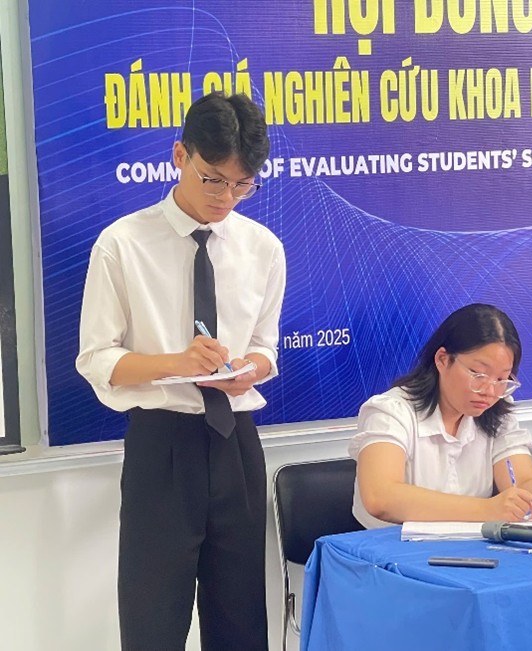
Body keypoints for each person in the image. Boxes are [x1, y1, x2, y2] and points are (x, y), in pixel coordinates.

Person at [76, 92, 286, 650]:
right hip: (162, 446)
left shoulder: (263, 248)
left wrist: (250, 369)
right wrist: (178, 363)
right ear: (179, 155)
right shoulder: (123, 244)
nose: (226, 198)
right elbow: (96, 359)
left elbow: (266, 347)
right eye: (213, 179)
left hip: (237, 442)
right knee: (153, 623)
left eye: (242, 185)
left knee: (242, 622)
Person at [350, 303, 532, 529]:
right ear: (442, 359)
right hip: (388, 548)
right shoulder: (392, 411)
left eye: (502, 379)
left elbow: (522, 482)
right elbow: (381, 497)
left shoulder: (496, 413)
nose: (490, 391)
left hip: (468, 546)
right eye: (478, 374)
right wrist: (486, 510)